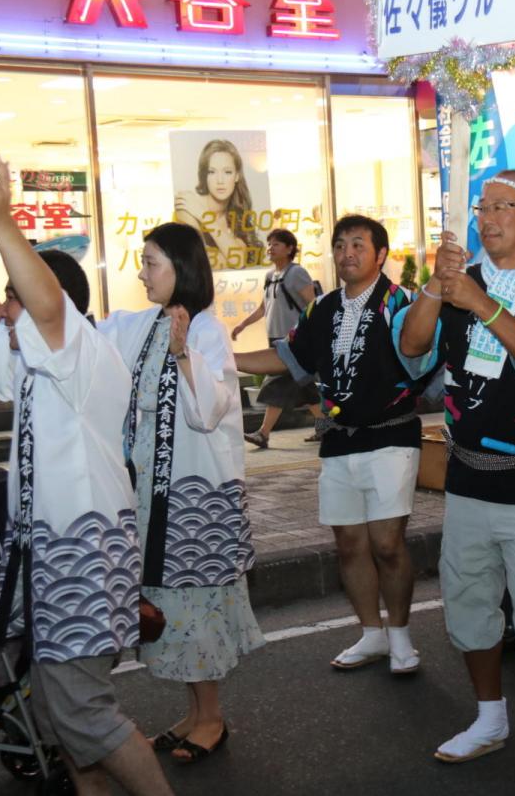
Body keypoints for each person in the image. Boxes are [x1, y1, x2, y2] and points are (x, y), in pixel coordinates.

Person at [0, 153, 173, 796]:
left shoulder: (79, 350)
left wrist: (2, 220)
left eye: (15, 299)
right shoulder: (36, 359)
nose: (6, 312)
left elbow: (42, 306)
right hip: (55, 551)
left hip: (83, 548)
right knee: (60, 713)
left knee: (83, 711)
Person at [397, 170, 515, 786]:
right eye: (483, 207)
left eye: (503, 207)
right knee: (469, 601)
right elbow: (412, 348)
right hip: (468, 476)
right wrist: (436, 285)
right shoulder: (459, 280)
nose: (487, 218)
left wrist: (480, 303)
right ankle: (489, 718)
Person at [97, 222, 263, 764]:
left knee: (194, 607)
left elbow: (207, 412)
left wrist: (184, 354)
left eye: (151, 263)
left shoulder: (207, 331)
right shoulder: (139, 324)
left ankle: (210, 717)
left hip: (194, 503)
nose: (142, 273)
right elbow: (85, 339)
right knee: (171, 606)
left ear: (181, 268)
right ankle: (194, 714)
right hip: (152, 498)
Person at [234, 215, 424, 675]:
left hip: (392, 433)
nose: (347, 253)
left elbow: (425, 358)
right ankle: (371, 633)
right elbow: (288, 357)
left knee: (387, 544)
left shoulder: (402, 304)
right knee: (349, 544)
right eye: (340, 245)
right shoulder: (322, 308)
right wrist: (221, 358)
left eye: (358, 244)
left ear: (381, 255)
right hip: (338, 438)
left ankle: (400, 636)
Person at [231, 228, 323, 447]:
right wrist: (243, 325)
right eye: (269, 244)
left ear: (290, 249)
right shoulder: (270, 276)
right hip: (275, 339)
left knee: (277, 383)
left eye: (276, 244)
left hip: (293, 341)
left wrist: (309, 335)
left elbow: (314, 306)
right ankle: (327, 425)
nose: (270, 248)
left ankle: (263, 433)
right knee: (304, 384)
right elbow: (263, 308)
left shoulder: (297, 273)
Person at [174, 138, 262, 269]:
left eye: (227, 172)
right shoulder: (187, 205)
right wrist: (225, 254)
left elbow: (237, 260)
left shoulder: (236, 215)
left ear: (237, 176)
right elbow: (198, 262)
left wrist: (203, 215)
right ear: (205, 176)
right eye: (212, 172)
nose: (220, 180)